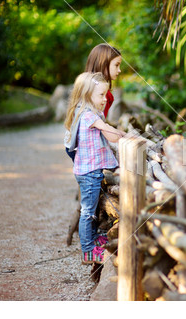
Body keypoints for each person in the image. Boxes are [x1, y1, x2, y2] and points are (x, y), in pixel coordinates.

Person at [64, 72, 126, 264]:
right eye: (101, 95)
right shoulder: (89, 116)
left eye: (105, 94)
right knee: (88, 212)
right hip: (89, 173)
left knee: (90, 210)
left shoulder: (87, 112)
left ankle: (91, 242)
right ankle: (89, 252)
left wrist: (120, 133)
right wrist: (125, 136)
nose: (105, 99)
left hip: (88, 172)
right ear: (87, 94)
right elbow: (111, 135)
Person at [65, 43, 122, 161]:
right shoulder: (102, 95)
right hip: (82, 145)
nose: (119, 70)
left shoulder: (87, 86)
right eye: (116, 65)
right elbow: (101, 126)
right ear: (104, 64)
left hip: (71, 142)